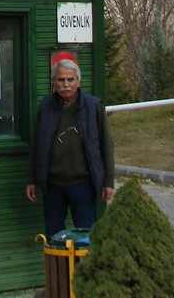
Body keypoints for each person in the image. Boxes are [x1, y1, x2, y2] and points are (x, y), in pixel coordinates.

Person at [25, 59, 115, 235]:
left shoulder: (93, 106)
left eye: (70, 80)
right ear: (54, 82)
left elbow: (106, 145)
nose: (66, 84)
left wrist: (108, 181)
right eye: (61, 80)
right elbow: (36, 145)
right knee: (53, 236)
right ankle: (58, 264)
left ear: (78, 82)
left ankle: (83, 264)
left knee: (85, 237)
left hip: (83, 185)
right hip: (52, 186)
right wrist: (31, 179)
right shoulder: (45, 106)